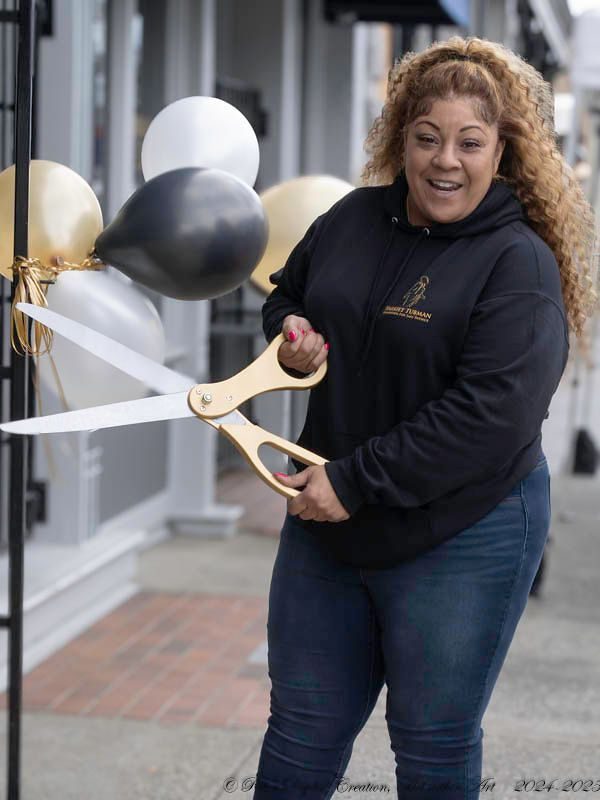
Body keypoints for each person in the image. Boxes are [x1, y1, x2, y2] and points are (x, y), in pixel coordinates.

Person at [254, 36, 597, 799]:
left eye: (470, 143)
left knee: (432, 742)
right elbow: (289, 297)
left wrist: (356, 482)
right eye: (427, 138)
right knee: (299, 732)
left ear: (501, 150)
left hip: (465, 532)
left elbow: (492, 416)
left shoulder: (519, 264)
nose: (447, 161)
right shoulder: (351, 219)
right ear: (399, 138)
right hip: (329, 525)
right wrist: (295, 338)